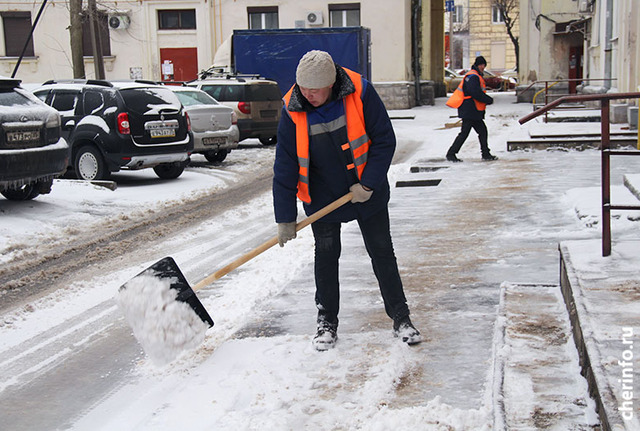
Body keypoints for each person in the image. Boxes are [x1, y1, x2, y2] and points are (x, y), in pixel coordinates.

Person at [272, 50, 421, 351]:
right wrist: (284, 217)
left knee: (382, 252)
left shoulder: (360, 91)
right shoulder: (292, 107)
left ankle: (401, 318)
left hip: (366, 191)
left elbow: (384, 140)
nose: (309, 95)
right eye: (304, 89)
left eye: (316, 91)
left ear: (331, 84)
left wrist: (368, 183)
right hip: (322, 197)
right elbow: (285, 165)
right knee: (326, 258)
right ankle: (327, 323)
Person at [445, 56, 498, 162]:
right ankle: (451, 154)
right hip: (470, 109)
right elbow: (475, 92)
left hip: (471, 109)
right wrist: (488, 100)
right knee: (468, 132)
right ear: (478, 65)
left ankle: (485, 153)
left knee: (480, 131)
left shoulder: (474, 75)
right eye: (482, 65)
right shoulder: (473, 76)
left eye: (484, 65)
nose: (483, 67)